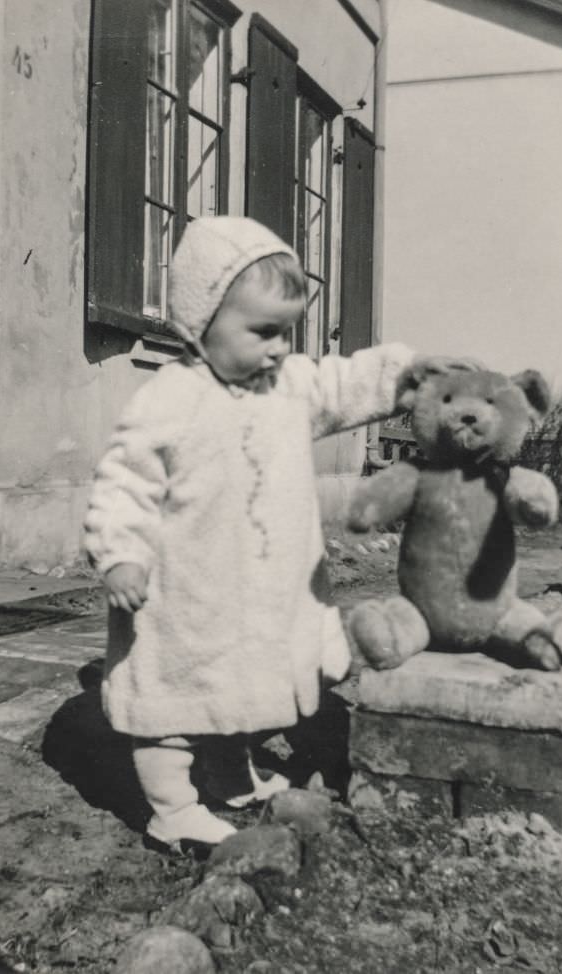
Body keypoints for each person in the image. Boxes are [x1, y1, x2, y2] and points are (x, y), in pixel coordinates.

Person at [85, 215, 473, 850]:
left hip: (262, 588)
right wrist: (121, 553)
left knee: (244, 687)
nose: (279, 348)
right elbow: (123, 481)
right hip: (186, 593)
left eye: (287, 332)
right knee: (174, 701)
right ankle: (172, 810)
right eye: (262, 332)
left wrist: (412, 375)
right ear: (201, 320)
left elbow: (342, 381)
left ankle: (226, 772)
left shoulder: (287, 386)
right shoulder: (169, 401)